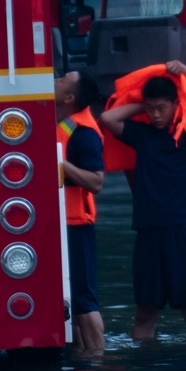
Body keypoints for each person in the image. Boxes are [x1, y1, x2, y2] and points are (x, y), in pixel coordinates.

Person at [98, 59, 186, 341]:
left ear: (177, 104)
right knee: (145, 312)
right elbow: (107, 119)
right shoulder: (142, 134)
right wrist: (145, 103)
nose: (155, 115)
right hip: (150, 229)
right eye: (150, 109)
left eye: (162, 108)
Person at [54, 69, 106, 355]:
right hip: (59, 223)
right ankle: (79, 361)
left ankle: (97, 362)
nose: (55, 80)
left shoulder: (84, 133)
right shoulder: (61, 122)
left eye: (61, 80)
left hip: (76, 224)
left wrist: (60, 163)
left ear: (69, 97)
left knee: (85, 302)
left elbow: (96, 181)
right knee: (69, 301)